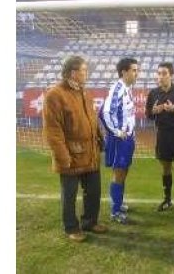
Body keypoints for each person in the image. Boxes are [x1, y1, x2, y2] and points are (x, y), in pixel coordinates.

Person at [42, 55, 107, 242]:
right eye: (84, 70)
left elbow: (92, 119)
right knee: (69, 194)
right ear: (73, 72)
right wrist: (63, 157)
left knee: (93, 190)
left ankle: (90, 222)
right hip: (70, 155)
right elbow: (53, 131)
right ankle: (71, 227)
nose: (86, 74)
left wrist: (100, 138)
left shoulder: (85, 92)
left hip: (90, 152)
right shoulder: (55, 94)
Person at [145, 62, 174, 213]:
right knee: (166, 167)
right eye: (158, 73)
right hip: (163, 134)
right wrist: (154, 111)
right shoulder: (153, 93)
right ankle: (167, 199)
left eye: (164, 73)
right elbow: (148, 115)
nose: (160, 76)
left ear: (171, 75)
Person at [98, 57, 138, 225]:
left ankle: (119, 204)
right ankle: (115, 211)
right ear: (124, 72)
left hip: (127, 138)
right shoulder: (117, 88)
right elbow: (105, 112)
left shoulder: (127, 88)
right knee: (118, 173)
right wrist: (116, 131)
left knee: (124, 171)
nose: (137, 73)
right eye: (134, 70)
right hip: (119, 140)